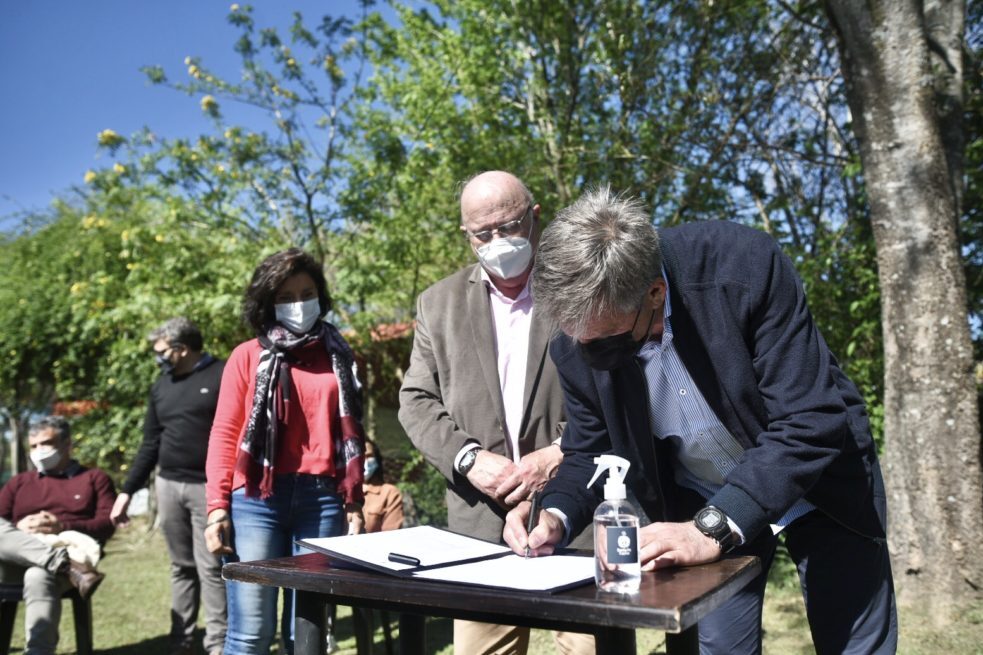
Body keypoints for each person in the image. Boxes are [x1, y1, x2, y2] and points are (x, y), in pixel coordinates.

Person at [504, 187, 898, 654]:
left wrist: (711, 528)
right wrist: (556, 512)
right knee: (719, 649)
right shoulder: (576, 345)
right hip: (701, 495)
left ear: (654, 292)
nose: (588, 351)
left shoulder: (744, 267)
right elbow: (592, 450)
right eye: (579, 338)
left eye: (605, 339)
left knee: (854, 644)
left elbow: (810, 420)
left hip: (819, 480)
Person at [398, 170, 594, 655]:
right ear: (466, 235)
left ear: (534, 216)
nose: (498, 241)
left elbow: (614, 388)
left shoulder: (582, 286)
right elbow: (416, 401)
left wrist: (557, 453)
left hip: (578, 515)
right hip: (480, 522)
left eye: (508, 226)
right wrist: (468, 459)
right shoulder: (437, 303)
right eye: (483, 234)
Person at [204, 248, 366, 655]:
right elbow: (225, 433)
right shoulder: (247, 356)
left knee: (307, 634)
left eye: (306, 292)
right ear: (268, 303)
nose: (298, 304)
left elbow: (353, 435)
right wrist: (216, 507)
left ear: (320, 294)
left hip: (323, 501)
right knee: (250, 633)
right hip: (258, 500)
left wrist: (354, 501)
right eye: (286, 296)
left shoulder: (340, 355)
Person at [110, 317, 227, 655]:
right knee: (181, 566)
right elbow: (150, 442)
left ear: (182, 348)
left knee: (210, 566)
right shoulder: (162, 385)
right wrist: (126, 491)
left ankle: (218, 643)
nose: (157, 357)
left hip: (208, 487)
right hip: (168, 484)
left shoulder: (220, 374)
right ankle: (182, 641)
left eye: (161, 351)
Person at [0, 415, 116, 655]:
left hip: (70, 548)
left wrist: (62, 526)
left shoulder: (94, 479)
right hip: (19, 556)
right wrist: (19, 526)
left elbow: (107, 524)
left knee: (38, 575)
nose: (38, 451)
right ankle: (62, 564)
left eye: (46, 443)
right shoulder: (19, 482)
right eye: (33, 446)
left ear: (67, 444)